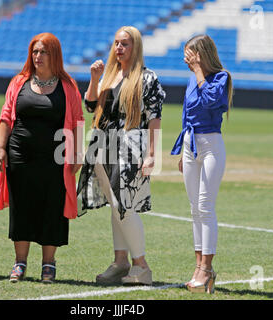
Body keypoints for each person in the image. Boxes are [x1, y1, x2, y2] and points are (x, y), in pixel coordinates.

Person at [77, 26, 165, 286]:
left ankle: (142, 266)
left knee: (123, 205)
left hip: (130, 145)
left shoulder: (148, 78)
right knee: (114, 206)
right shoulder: (110, 76)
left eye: (125, 44)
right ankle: (120, 262)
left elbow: (154, 118)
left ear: (135, 47)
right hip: (102, 143)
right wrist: (94, 78)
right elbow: (92, 106)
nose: (119, 48)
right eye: (116, 43)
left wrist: (151, 154)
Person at [0, 32, 84, 283]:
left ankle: (48, 264)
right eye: (35, 51)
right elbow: (6, 115)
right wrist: (1, 148)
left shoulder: (68, 86)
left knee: (52, 209)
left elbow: (77, 121)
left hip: (56, 158)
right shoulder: (19, 82)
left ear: (54, 55)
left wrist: (76, 153)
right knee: (22, 207)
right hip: (20, 155)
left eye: (43, 51)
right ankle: (19, 263)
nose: (38, 56)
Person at [171, 34, 233, 294]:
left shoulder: (221, 78)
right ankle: (199, 269)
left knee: (206, 207)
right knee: (194, 208)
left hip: (211, 146)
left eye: (191, 56)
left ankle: (207, 270)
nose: (187, 61)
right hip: (191, 145)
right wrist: (183, 151)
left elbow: (210, 101)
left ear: (203, 54)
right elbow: (187, 114)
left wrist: (198, 71)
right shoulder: (190, 78)